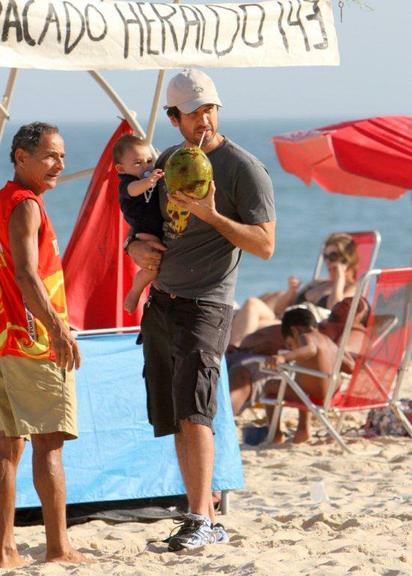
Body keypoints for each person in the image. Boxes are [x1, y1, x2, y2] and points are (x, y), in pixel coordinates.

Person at [126, 69, 275, 551]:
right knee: (174, 415)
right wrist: (134, 248)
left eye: (210, 109)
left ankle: (201, 518)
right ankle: (200, 512)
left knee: (197, 412)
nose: (203, 120)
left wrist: (213, 215)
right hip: (162, 301)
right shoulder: (169, 161)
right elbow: (146, 223)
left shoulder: (242, 168)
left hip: (207, 303)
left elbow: (266, 245)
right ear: (174, 119)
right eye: (192, 114)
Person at [0, 123, 88, 568]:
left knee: (6, 446)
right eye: (51, 156)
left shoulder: (4, 201)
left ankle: (6, 549)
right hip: (32, 343)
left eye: (63, 156)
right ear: (21, 157)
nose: (60, 164)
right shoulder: (25, 205)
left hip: (5, 338)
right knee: (49, 445)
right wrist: (57, 329)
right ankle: (58, 547)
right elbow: (27, 274)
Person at [229, 296, 370, 420]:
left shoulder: (354, 332)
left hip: (273, 365)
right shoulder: (321, 327)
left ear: (360, 321)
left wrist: (285, 353)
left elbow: (345, 360)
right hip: (244, 352)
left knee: (241, 376)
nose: (348, 301)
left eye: (357, 305)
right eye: (346, 299)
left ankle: (220, 426)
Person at [228, 232, 359, 348]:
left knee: (248, 319)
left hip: (302, 330)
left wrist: (340, 278)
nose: (328, 261)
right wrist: (291, 292)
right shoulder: (318, 283)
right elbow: (279, 309)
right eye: (326, 256)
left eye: (333, 256)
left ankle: (234, 354)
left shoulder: (350, 288)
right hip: (284, 319)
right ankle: (234, 352)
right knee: (252, 304)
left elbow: (335, 309)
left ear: (346, 259)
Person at [263, 308, 339, 444]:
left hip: (315, 395)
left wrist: (283, 357)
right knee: (300, 381)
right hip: (332, 394)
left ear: (294, 331)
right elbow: (349, 365)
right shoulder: (328, 341)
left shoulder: (306, 337)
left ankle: (275, 434)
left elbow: (310, 350)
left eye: (291, 345)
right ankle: (302, 430)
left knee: (270, 385)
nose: (294, 350)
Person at [113, 134, 164, 313]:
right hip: (144, 229)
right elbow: (133, 191)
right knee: (153, 268)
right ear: (121, 168)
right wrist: (148, 181)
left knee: (157, 264)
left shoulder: (150, 179)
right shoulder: (129, 182)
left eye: (149, 160)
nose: (145, 166)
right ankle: (135, 292)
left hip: (156, 227)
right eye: (137, 163)